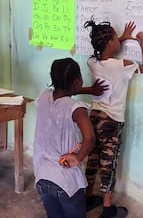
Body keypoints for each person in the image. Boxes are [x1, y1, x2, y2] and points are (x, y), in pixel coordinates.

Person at [83, 19, 143, 218]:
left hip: (94, 117)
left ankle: (88, 198)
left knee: (93, 158)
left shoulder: (92, 62)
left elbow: (105, 48)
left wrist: (121, 37)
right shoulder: (121, 65)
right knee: (109, 163)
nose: (118, 40)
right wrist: (142, 43)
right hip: (112, 121)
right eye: (115, 37)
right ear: (110, 43)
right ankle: (107, 209)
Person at [33, 57, 99, 218]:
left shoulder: (43, 96)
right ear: (77, 82)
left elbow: (62, 93)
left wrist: (87, 90)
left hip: (42, 175)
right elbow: (89, 138)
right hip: (65, 180)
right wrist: (78, 157)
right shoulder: (77, 109)